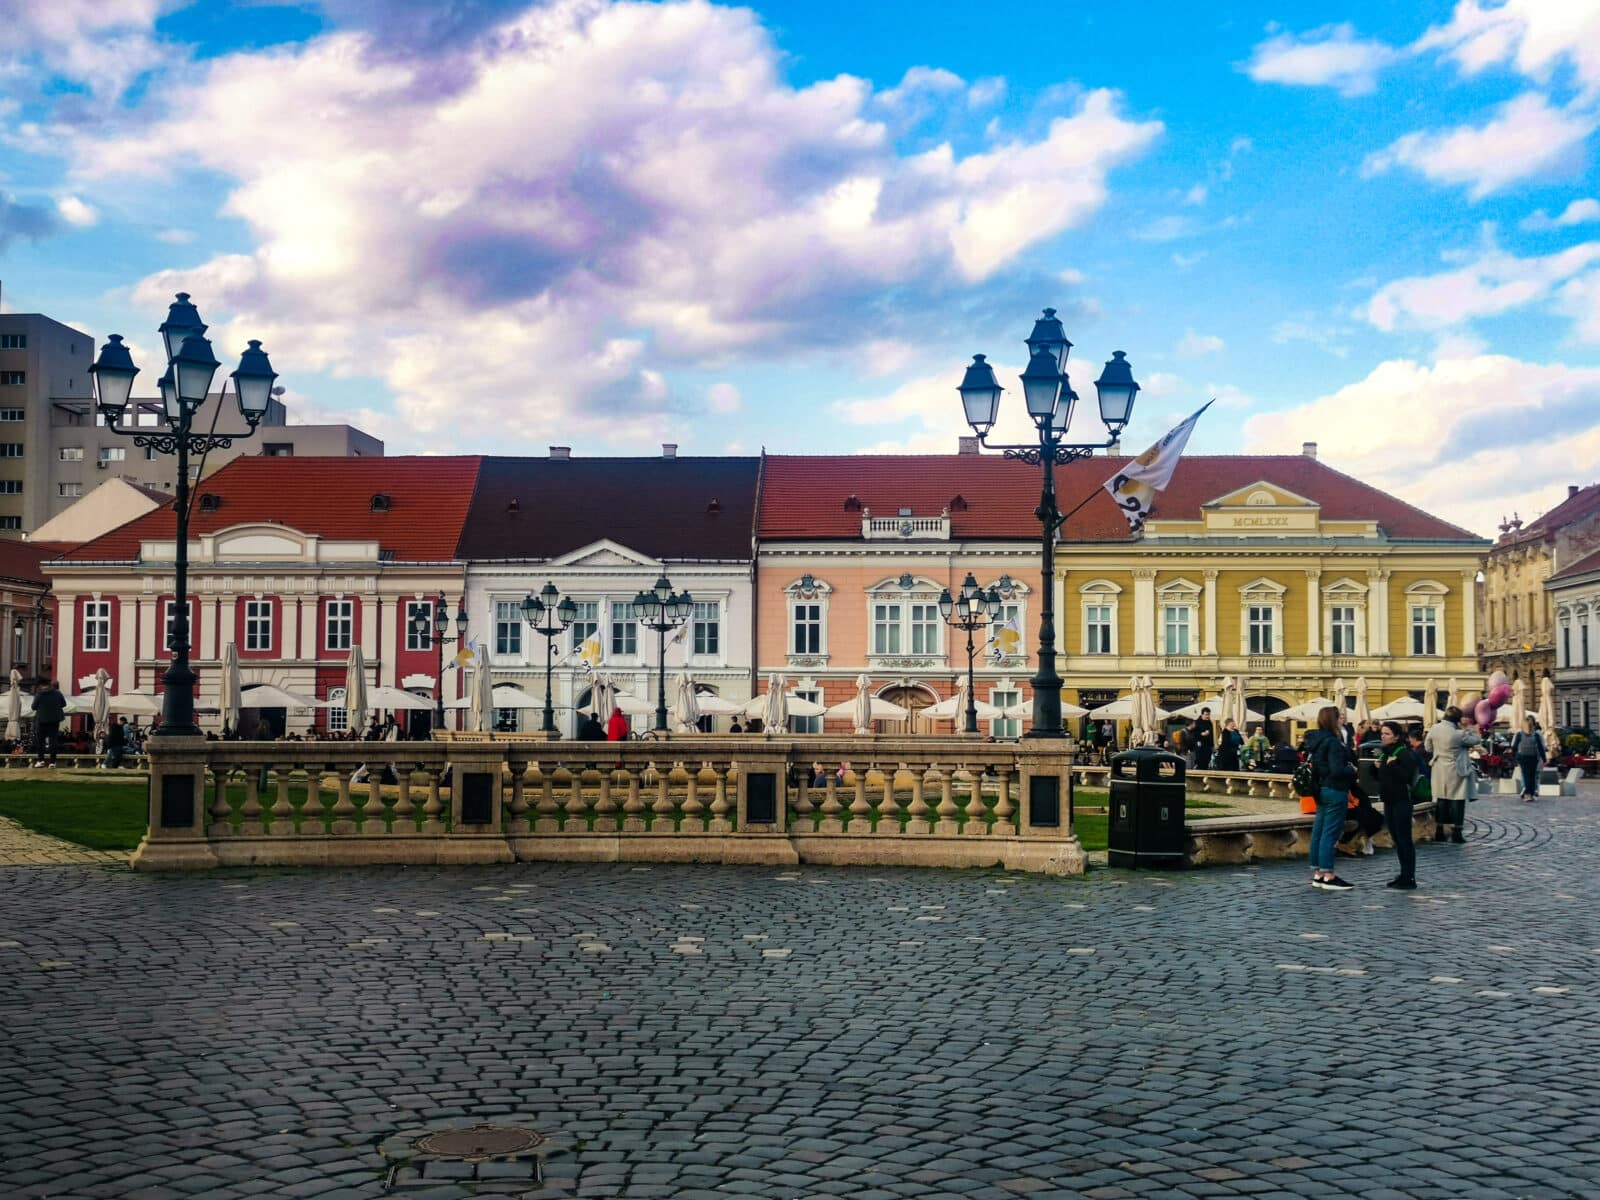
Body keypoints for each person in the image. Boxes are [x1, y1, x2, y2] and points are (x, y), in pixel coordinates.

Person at [1305, 705, 1357, 891]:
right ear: (1332, 721)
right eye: (1339, 717)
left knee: (1318, 832)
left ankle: (1317, 873)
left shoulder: (1315, 740)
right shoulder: (1333, 742)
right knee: (1330, 833)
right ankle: (1328, 875)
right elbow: (1337, 770)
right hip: (1335, 790)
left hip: (1320, 790)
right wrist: (1351, 770)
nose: (1342, 720)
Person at [1375, 720, 1422, 890]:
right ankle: (1403, 874)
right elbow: (1381, 777)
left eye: (1387, 733)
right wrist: (1377, 768)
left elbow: (1406, 776)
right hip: (1389, 800)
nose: (1383, 736)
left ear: (1396, 736)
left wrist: (1392, 765)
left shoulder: (1403, 753)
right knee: (1396, 838)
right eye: (1382, 733)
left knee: (1404, 839)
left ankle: (1409, 877)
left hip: (1401, 800)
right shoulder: (1385, 753)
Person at [1424, 706, 1480, 844]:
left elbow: (1428, 747)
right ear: (1457, 719)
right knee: (1457, 800)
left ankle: (1439, 831)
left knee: (1441, 800)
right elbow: (1476, 740)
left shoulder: (1434, 729)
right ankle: (1457, 832)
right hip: (1456, 769)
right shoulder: (1458, 734)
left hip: (1438, 768)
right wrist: (1469, 728)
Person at [1510, 716, 1547, 803]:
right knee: (1532, 776)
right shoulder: (1536, 734)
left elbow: (1514, 747)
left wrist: (1514, 757)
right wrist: (1544, 758)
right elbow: (1541, 748)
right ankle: (1531, 792)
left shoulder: (1519, 734)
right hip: (1533, 757)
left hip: (1522, 757)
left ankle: (1528, 794)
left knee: (1526, 775)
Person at [30, 680, 66, 768]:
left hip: (41, 720)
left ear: (42, 685)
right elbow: (64, 704)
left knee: (40, 741)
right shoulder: (58, 693)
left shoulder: (39, 694)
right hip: (54, 720)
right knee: (53, 741)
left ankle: (41, 760)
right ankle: (52, 762)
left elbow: (33, 707)